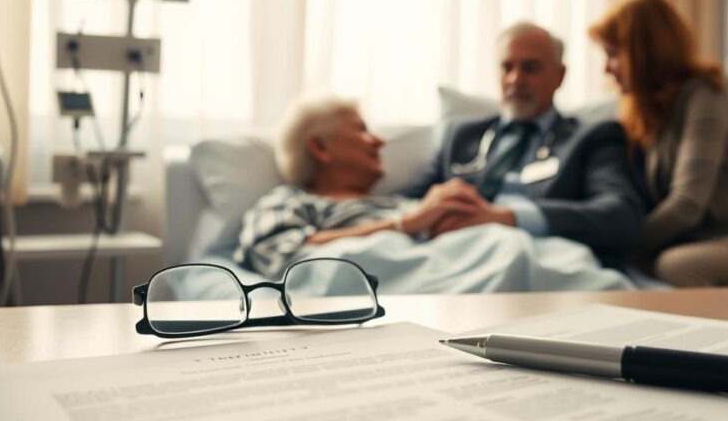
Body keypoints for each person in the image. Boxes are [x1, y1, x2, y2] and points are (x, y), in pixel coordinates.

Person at [588, 0, 728, 286]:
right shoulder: (641, 114)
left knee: (678, 266)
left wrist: (623, 247)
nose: (606, 68)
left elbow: (687, 205)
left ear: (644, 52)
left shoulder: (704, 96)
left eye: (614, 54)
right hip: (693, 243)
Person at [399, 22, 643, 266]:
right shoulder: (460, 135)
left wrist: (507, 217)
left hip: (537, 257)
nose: (516, 79)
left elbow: (620, 217)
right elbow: (407, 203)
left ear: (559, 76)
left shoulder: (592, 137)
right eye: (507, 67)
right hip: (450, 255)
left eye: (530, 68)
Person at [234, 99, 483, 278]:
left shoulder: (404, 205)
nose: (380, 141)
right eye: (361, 129)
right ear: (320, 147)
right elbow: (277, 254)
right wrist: (405, 224)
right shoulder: (288, 201)